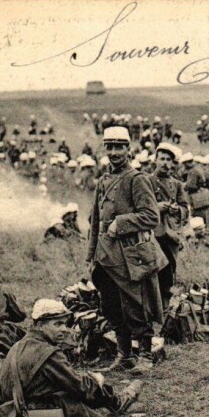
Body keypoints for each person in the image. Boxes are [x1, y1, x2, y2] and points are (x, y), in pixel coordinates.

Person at [0, 299, 143, 417]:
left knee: (75, 380)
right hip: (33, 414)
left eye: (64, 323)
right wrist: (97, 380)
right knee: (83, 387)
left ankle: (114, 400)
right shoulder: (48, 352)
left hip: (8, 410)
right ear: (40, 325)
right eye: (57, 324)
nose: (63, 329)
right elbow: (79, 387)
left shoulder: (17, 346)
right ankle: (115, 402)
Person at [87, 126, 166, 374]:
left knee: (136, 307)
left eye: (119, 147)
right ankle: (125, 355)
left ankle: (145, 355)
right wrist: (91, 256)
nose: (114, 152)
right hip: (105, 257)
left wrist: (121, 223)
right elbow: (95, 222)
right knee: (111, 308)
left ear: (128, 149)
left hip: (130, 258)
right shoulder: (103, 181)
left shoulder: (136, 179)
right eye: (109, 147)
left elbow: (151, 217)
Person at [149, 143, 189, 311]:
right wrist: (156, 207)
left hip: (171, 234)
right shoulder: (146, 181)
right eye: (162, 159)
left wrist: (177, 210)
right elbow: (139, 206)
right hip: (152, 233)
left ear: (173, 163)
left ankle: (165, 309)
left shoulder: (177, 185)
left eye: (169, 160)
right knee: (152, 270)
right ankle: (152, 308)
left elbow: (186, 209)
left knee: (169, 271)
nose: (165, 163)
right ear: (155, 161)